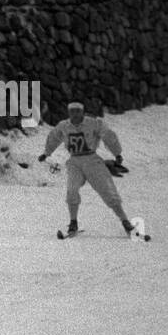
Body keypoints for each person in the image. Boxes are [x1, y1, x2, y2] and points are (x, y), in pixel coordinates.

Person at [38, 100, 138, 236]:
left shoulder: (93, 123)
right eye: (72, 111)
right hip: (74, 162)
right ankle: (73, 222)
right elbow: (54, 137)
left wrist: (117, 153)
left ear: (82, 112)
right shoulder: (64, 126)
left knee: (107, 191)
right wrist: (46, 153)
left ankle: (125, 221)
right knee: (72, 189)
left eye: (78, 111)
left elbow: (108, 135)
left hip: (92, 161)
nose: (75, 114)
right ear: (69, 113)